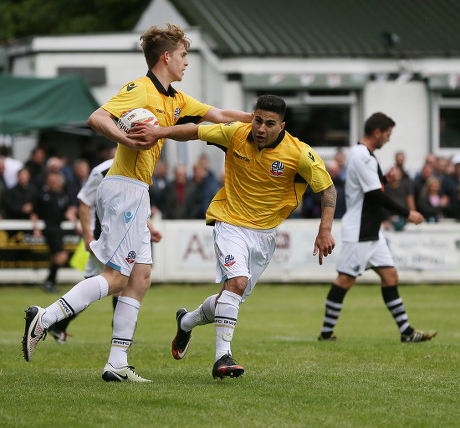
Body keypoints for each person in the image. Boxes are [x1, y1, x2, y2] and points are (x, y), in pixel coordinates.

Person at [22, 23, 252, 383]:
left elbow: (219, 116)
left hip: (138, 192)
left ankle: (116, 363)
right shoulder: (139, 89)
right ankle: (45, 318)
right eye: (183, 55)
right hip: (124, 188)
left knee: (140, 278)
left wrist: (257, 121)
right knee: (115, 278)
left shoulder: (176, 99)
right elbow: (97, 118)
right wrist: (126, 140)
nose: (186, 61)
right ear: (166, 57)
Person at [131, 94, 337, 379]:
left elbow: (328, 189)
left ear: (282, 126)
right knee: (236, 283)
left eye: (270, 123)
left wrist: (324, 229)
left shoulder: (299, 153)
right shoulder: (235, 133)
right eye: (258, 120)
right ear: (252, 117)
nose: (261, 128)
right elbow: (194, 130)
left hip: (264, 235)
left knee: (231, 296)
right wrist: (159, 132)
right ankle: (222, 358)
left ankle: (187, 321)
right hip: (229, 222)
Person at [318, 112, 437, 343]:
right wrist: (407, 212)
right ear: (377, 132)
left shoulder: (364, 155)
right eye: (388, 135)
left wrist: (385, 178)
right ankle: (326, 333)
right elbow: (374, 195)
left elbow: (373, 188)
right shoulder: (362, 156)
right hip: (361, 231)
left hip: (372, 231)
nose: (388, 140)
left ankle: (406, 332)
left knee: (390, 276)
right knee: (345, 280)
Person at [47, 156, 162, 344]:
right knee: (113, 283)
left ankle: (58, 324)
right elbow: (83, 202)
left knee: (113, 284)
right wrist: (88, 238)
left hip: (128, 234)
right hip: (104, 235)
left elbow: (138, 204)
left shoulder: (142, 164)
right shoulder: (102, 171)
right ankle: (120, 338)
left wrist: (150, 227)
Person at [31, 171, 78, 293]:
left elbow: (67, 211)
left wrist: (74, 220)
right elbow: (34, 213)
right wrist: (36, 228)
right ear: (47, 181)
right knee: (62, 256)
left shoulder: (61, 195)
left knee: (55, 257)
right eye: (51, 181)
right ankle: (49, 281)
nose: (53, 183)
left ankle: (51, 283)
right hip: (49, 228)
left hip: (58, 228)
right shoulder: (42, 195)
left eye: (55, 180)